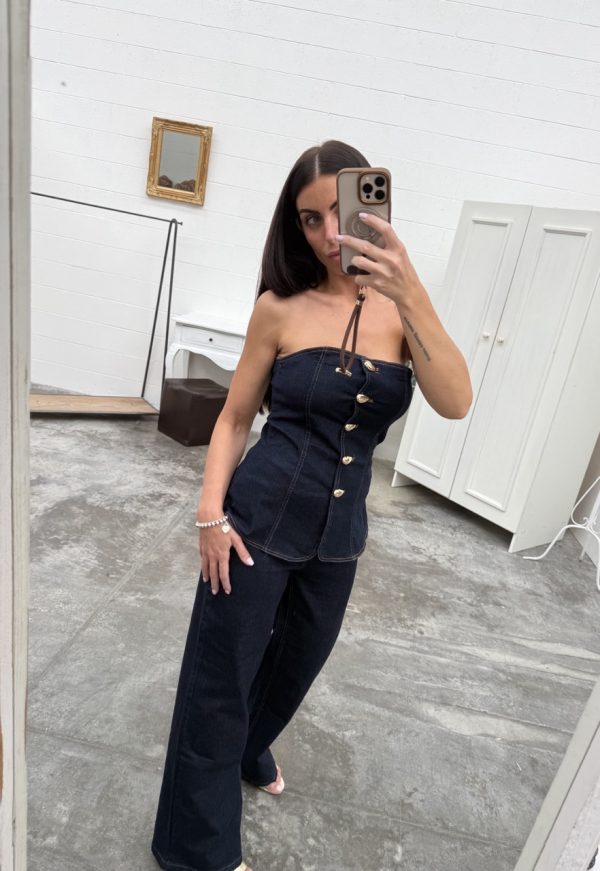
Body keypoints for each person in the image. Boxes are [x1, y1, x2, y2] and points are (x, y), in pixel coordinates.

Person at [151, 139, 472, 871]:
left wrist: (410, 290)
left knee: (294, 667)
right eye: (309, 219)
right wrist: (210, 514)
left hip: (339, 536)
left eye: (340, 212)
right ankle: (195, 848)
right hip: (256, 521)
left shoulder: (402, 314)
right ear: (293, 227)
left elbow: (455, 402)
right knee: (219, 679)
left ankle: (245, 747)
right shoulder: (279, 308)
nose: (329, 234)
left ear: (373, 207)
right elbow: (235, 417)